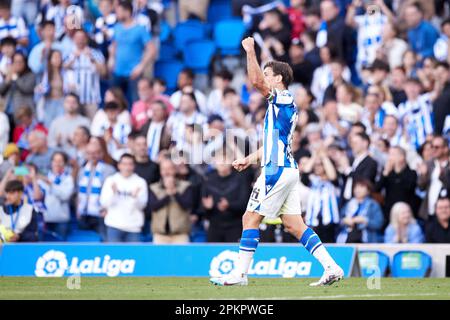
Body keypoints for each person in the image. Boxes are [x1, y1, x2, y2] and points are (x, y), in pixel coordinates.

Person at [210, 37, 344, 287]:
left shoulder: (283, 97)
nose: (264, 76)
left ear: (279, 78)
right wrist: (249, 158)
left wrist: (250, 51)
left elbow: (255, 82)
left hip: (276, 170)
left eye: (268, 73)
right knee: (294, 225)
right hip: (286, 167)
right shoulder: (281, 105)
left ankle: (239, 274)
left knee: (250, 218)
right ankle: (331, 266)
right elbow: (273, 143)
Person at [108, 0, 156, 104]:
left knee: (135, 102)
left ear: (127, 12)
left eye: (119, 11)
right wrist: (112, 58)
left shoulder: (140, 29)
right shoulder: (117, 28)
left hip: (133, 73)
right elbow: (114, 45)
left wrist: (141, 66)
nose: (116, 14)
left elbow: (151, 49)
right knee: (114, 101)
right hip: (117, 71)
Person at [201, 153, 251, 242]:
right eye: (219, 160)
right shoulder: (208, 179)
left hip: (235, 225)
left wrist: (229, 205)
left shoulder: (240, 178)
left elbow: (245, 203)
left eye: (225, 160)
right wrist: (207, 207)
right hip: (214, 226)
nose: (221, 163)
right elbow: (201, 205)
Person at [100, 153, 148, 242]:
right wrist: (113, 193)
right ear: (119, 165)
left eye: (130, 164)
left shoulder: (140, 182)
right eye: (124, 164)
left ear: (134, 166)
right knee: (115, 255)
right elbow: (104, 203)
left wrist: (135, 198)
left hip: (133, 227)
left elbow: (142, 206)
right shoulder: (111, 180)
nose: (127, 167)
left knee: (134, 255)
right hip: (114, 225)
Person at [149, 157, 194, 244]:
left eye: (169, 168)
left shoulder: (186, 186)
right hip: (160, 235)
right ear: (160, 171)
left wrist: (175, 193)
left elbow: (187, 206)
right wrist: (167, 195)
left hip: (180, 235)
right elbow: (153, 206)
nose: (166, 172)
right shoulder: (154, 187)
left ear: (174, 170)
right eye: (164, 169)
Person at [63, 29, 106, 119]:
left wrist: (92, 58)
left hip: (91, 98)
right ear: (73, 39)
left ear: (86, 39)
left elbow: (104, 72)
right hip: (74, 100)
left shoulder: (95, 53)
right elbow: (61, 68)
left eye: (82, 38)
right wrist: (73, 58)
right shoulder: (69, 54)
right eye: (77, 38)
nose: (80, 40)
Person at [76, 139, 116, 238]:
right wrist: (78, 208)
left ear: (101, 154)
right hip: (84, 213)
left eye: (95, 153)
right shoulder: (82, 171)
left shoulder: (109, 170)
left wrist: (107, 209)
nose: (92, 156)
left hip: (101, 213)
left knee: (104, 241)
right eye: (89, 153)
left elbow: (112, 193)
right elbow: (78, 192)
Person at [34, 49, 76, 127]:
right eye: (55, 57)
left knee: (62, 125)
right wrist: (39, 89)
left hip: (62, 102)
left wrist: (71, 87)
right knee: (48, 125)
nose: (57, 60)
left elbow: (71, 88)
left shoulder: (65, 73)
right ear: (50, 60)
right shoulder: (46, 74)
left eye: (59, 57)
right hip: (49, 103)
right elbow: (42, 88)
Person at [40, 151, 74, 240]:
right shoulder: (45, 177)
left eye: (60, 161)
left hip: (61, 220)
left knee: (60, 248)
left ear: (65, 163)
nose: (57, 164)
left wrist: (51, 185)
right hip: (46, 219)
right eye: (54, 161)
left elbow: (65, 196)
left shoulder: (68, 179)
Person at [417, 135, 450, 220]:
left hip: (446, 213)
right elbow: (421, 187)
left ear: (446, 148)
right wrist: (423, 175)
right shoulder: (428, 164)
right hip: (430, 212)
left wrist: (442, 175)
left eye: (437, 147)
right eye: (432, 147)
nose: (433, 149)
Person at [0, 52, 36, 118]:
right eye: (15, 62)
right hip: (7, 112)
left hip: (23, 113)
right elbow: (1, 91)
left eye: (20, 62)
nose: (18, 64)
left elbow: (27, 89)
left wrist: (15, 77)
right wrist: (7, 80)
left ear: (25, 63)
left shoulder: (31, 75)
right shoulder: (9, 75)